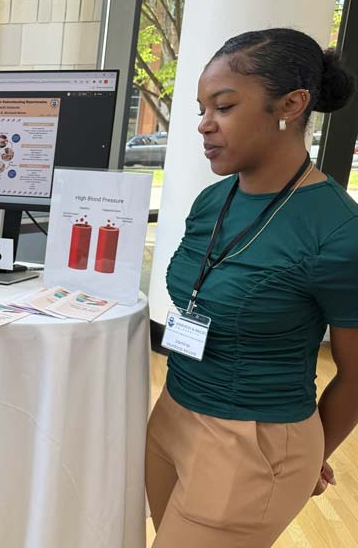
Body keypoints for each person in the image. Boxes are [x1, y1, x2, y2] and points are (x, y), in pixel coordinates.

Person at [149, 27, 358, 547]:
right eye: (202, 108)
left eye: (223, 107)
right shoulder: (212, 201)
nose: (204, 125)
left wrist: (312, 454)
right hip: (173, 412)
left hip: (255, 441)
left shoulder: (337, 230)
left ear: (290, 105)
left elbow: (357, 377)